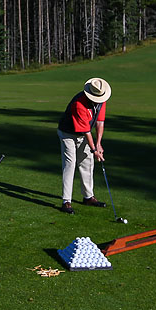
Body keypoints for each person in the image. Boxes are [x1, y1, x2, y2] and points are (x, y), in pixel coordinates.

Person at [56, 77, 111, 214]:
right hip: (67, 133)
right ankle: (66, 201)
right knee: (70, 163)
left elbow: (100, 122)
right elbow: (86, 131)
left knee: (87, 162)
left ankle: (88, 197)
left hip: (83, 134)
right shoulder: (79, 104)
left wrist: (98, 144)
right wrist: (94, 149)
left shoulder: (101, 100)